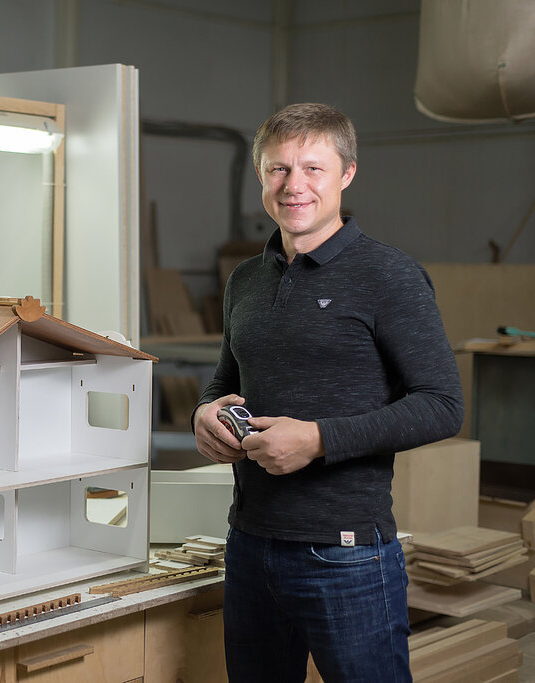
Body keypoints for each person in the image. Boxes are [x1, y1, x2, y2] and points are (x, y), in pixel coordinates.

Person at [192, 102, 464, 682]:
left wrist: (319, 440)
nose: (294, 185)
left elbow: (442, 405)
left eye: (313, 168)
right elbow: (226, 381)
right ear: (261, 175)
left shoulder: (389, 275)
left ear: (347, 174)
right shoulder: (246, 279)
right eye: (278, 169)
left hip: (346, 555)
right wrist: (205, 412)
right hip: (250, 543)